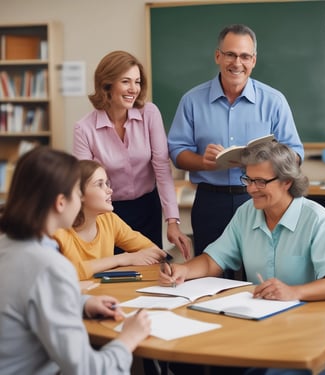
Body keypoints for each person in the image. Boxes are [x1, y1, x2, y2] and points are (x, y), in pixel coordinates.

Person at [160, 141, 325, 375]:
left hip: (301, 329)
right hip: (257, 323)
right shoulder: (247, 213)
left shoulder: (316, 218)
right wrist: (183, 270)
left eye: (260, 181)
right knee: (190, 357)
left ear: (287, 181)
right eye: (248, 180)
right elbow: (213, 260)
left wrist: (294, 292)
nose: (250, 189)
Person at [0, 147, 150, 375]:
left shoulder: (7, 244)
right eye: (76, 194)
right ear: (61, 203)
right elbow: (88, 370)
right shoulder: (50, 267)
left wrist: (81, 303)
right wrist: (129, 338)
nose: (80, 201)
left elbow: (25, 301)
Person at [168, 24, 304, 257]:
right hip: (210, 201)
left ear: (254, 60)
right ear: (218, 56)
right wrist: (203, 162)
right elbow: (177, 151)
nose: (237, 63)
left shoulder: (274, 101)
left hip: (260, 198)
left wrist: (266, 161)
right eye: (230, 54)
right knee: (209, 274)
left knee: (260, 269)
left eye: (245, 56)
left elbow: (295, 153)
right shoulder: (192, 100)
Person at [73, 50, 191, 259]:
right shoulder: (84, 129)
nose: (133, 89)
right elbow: (85, 183)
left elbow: (162, 170)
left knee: (152, 270)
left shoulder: (150, 113)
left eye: (137, 82)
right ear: (107, 84)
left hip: (148, 207)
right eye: (126, 81)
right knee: (115, 273)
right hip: (107, 214)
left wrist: (172, 221)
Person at [53, 159, 167, 280]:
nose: (110, 190)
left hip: (103, 294)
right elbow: (67, 273)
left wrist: (167, 266)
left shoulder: (109, 220)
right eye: (99, 184)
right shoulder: (58, 232)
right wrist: (122, 259)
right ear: (78, 193)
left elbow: (152, 250)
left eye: (107, 183)